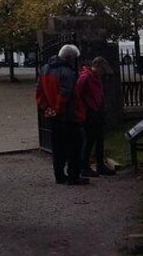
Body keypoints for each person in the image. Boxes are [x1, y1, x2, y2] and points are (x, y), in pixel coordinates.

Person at [36, 44, 88, 185]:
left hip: (53, 116)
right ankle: (73, 176)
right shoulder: (67, 72)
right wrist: (58, 109)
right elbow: (65, 94)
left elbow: (39, 92)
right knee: (74, 147)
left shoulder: (45, 69)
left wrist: (47, 109)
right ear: (69, 57)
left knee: (57, 147)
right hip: (68, 116)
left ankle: (59, 175)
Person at [77, 56, 117, 177]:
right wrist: (86, 109)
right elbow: (78, 95)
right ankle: (84, 167)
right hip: (90, 113)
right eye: (102, 70)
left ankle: (99, 165)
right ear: (98, 67)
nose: (103, 73)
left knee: (99, 140)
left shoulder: (95, 77)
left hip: (97, 111)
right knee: (89, 141)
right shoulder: (85, 78)